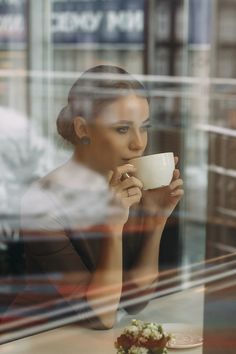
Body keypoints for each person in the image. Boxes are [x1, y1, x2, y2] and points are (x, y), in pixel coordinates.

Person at [5, 65, 184, 331]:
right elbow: (100, 318)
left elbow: (135, 301)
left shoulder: (128, 189)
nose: (139, 143)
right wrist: (112, 227)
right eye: (123, 129)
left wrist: (157, 221)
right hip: (32, 335)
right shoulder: (42, 202)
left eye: (143, 128)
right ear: (82, 128)